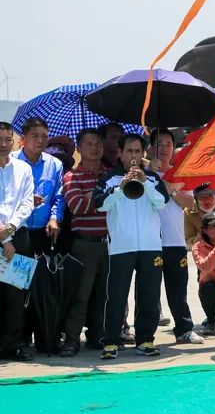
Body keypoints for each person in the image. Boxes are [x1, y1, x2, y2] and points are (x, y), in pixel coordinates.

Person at [94, 133, 170, 359]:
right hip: (121, 247)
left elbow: (162, 203)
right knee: (116, 295)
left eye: (138, 151)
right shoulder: (109, 178)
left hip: (150, 247)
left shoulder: (154, 178)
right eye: (129, 151)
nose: (134, 156)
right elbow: (99, 205)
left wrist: (145, 183)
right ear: (120, 153)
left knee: (149, 295)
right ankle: (110, 341)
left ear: (143, 153)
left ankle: (145, 340)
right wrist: (121, 186)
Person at [58, 129, 110, 356]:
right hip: (84, 244)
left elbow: (116, 207)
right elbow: (77, 208)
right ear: (79, 148)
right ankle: (71, 339)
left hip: (108, 243)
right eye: (89, 144)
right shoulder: (71, 176)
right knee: (80, 295)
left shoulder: (110, 175)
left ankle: (97, 335)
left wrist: (92, 197)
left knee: (104, 294)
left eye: (98, 143)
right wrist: (100, 197)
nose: (94, 148)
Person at [148, 129, 202, 345]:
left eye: (168, 144)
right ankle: (146, 334)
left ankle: (184, 329)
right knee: (149, 292)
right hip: (150, 243)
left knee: (178, 289)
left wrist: (171, 191)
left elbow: (191, 204)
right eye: (159, 144)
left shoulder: (181, 174)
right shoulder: (143, 172)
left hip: (175, 241)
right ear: (152, 147)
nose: (164, 149)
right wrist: (149, 173)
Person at [0, 122, 35, 361]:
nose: (3, 145)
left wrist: (10, 230)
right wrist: (4, 239)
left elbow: (27, 203)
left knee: (17, 296)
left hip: (18, 235)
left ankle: (13, 345)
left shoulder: (23, 168)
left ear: (14, 142)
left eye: (7, 140)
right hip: (4, 238)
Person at [13, 117, 64, 257]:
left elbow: (59, 197)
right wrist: (26, 200)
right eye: (35, 136)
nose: (41, 140)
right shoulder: (9, 163)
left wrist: (55, 218)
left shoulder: (55, 165)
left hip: (45, 233)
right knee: (15, 278)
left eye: (45, 136)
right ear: (23, 138)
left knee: (42, 277)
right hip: (15, 233)